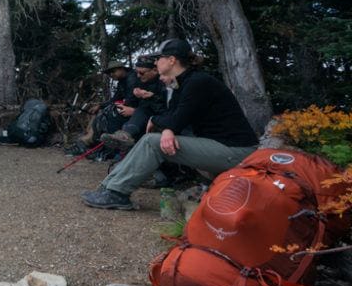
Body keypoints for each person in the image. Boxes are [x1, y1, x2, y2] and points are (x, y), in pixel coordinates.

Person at [82, 39, 260, 210]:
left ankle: (117, 193)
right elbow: (172, 117)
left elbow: (175, 120)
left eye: (159, 58)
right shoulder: (182, 84)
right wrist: (167, 128)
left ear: (171, 60)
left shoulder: (198, 82)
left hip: (238, 152)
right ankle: (108, 188)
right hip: (219, 147)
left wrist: (157, 122)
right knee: (150, 139)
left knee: (151, 142)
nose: (156, 62)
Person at [99, 55, 167, 151]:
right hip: (145, 115)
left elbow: (168, 108)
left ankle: (123, 140)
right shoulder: (142, 81)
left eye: (141, 73)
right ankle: (122, 140)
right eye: (137, 72)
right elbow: (129, 101)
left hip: (162, 119)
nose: (138, 76)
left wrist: (150, 98)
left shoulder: (165, 81)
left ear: (155, 70)